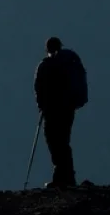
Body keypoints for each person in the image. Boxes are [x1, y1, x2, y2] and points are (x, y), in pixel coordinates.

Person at [34, 36, 87, 189]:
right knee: (63, 141)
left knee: (54, 140)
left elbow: (39, 87)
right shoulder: (69, 62)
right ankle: (68, 177)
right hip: (68, 108)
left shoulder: (46, 65)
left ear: (48, 48)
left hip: (52, 110)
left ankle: (62, 178)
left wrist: (41, 105)